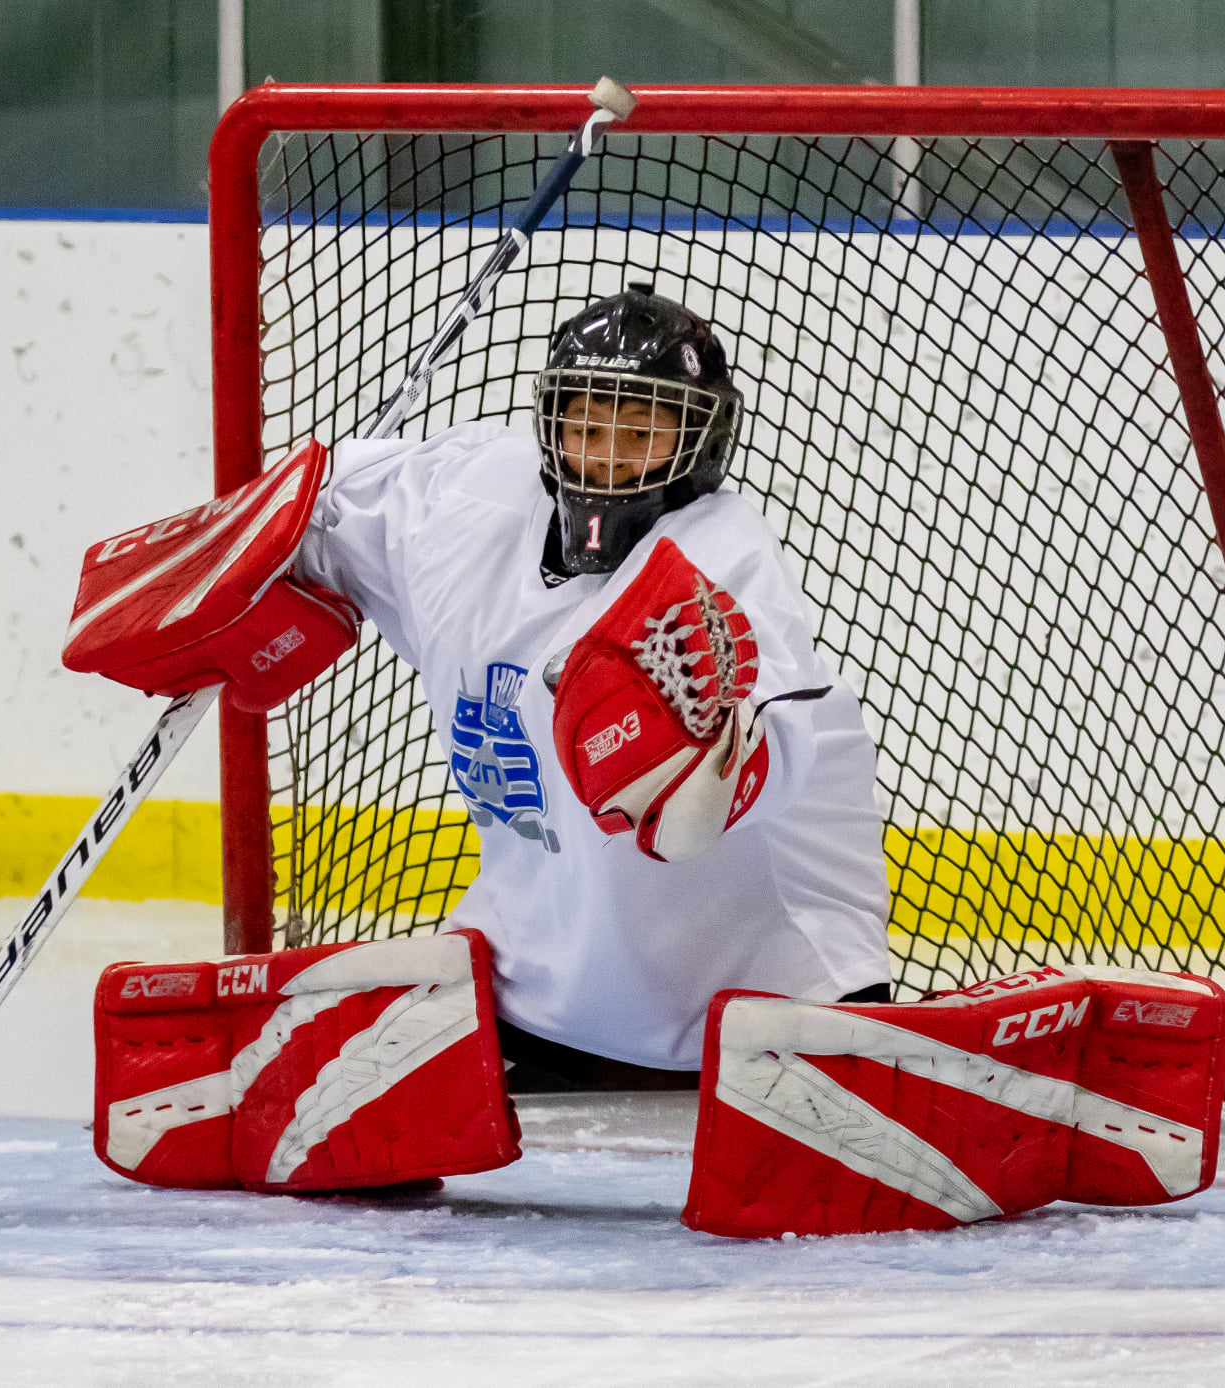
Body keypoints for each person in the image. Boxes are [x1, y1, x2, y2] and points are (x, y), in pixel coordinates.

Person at [291, 283, 893, 1088]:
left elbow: (751, 773)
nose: (607, 454)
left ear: (700, 438)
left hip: (760, 1015)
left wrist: (712, 772)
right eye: (586, 425)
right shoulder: (470, 495)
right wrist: (253, 559)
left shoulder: (719, 561)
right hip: (533, 1007)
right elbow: (321, 502)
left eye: (641, 430)